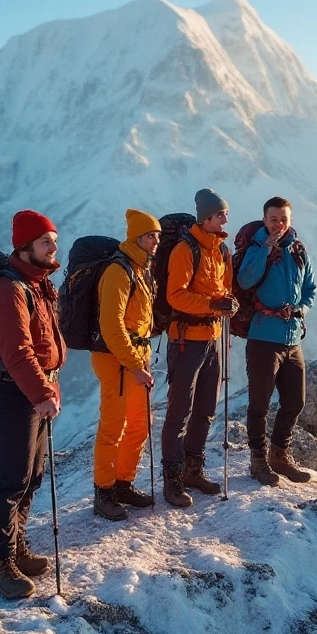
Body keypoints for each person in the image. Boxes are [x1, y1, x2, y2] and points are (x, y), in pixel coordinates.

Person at [0, 210, 66, 599]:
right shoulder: (8, 291)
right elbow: (17, 353)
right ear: (25, 247)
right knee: (10, 480)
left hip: (33, 392)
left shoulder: (38, 285)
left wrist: (49, 389)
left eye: (54, 240)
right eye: (46, 241)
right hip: (11, 393)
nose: (53, 247)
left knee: (31, 477)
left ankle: (15, 548)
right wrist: (43, 394)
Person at [161, 188, 237, 508]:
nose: (225, 218)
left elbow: (225, 292)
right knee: (180, 411)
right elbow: (175, 295)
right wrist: (213, 305)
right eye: (220, 214)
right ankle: (174, 480)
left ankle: (193, 470)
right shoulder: (185, 249)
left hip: (212, 339)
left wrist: (227, 306)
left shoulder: (220, 251)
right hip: (186, 341)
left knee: (205, 409)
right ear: (206, 218)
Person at [236, 196, 317, 486]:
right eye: (273, 219)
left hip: (292, 336)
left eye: (284, 219)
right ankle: (258, 461)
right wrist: (265, 250)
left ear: (290, 220)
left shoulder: (298, 249)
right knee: (260, 403)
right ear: (264, 219)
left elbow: (310, 288)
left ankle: (279, 456)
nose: (279, 224)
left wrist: (299, 309)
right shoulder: (258, 246)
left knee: (295, 401)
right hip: (263, 336)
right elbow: (245, 280)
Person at [91, 209, 161, 521]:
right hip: (116, 360)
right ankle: (103, 492)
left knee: (139, 423)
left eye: (157, 235)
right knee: (113, 427)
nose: (156, 241)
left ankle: (123, 483)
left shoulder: (140, 269)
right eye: (150, 236)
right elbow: (111, 325)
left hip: (135, 358)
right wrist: (134, 364)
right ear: (136, 238)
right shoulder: (119, 271)